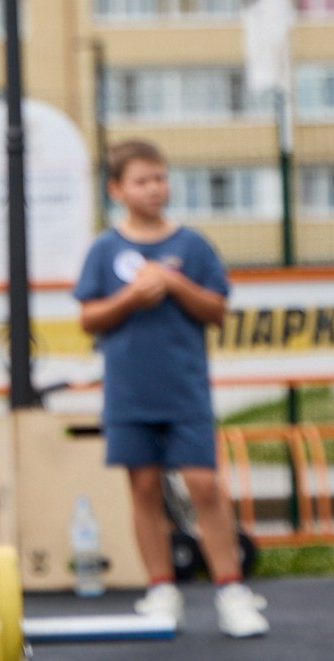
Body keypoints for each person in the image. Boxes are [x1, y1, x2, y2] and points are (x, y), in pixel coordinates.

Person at [72, 139, 267, 639]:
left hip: (185, 391)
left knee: (204, 485)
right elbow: (89, 317)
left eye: (160, 177)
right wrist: (133, 296)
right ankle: (161, 589)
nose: (154, 188)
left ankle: (231, 590)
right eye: (142, 180)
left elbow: (218, 310)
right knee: (142, 488)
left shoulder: (193, 246)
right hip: (129, 392)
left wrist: (177, 286)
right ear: (117, 189)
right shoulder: (106, 248)